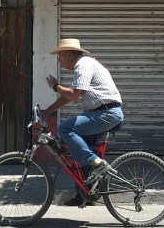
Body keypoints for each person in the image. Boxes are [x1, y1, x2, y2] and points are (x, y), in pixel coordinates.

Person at [41, 38, 123, 206]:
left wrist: (56, 86)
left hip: (106, 113)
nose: (58, 60)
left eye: (60, 55)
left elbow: (74, 94)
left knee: (64, 129)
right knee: (78, 149)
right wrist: (47, 112)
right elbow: (68, 97)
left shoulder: (83, 63)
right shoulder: (84, 64)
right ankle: (85, 194)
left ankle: (98, 164)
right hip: (102, 113)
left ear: (70, 54)